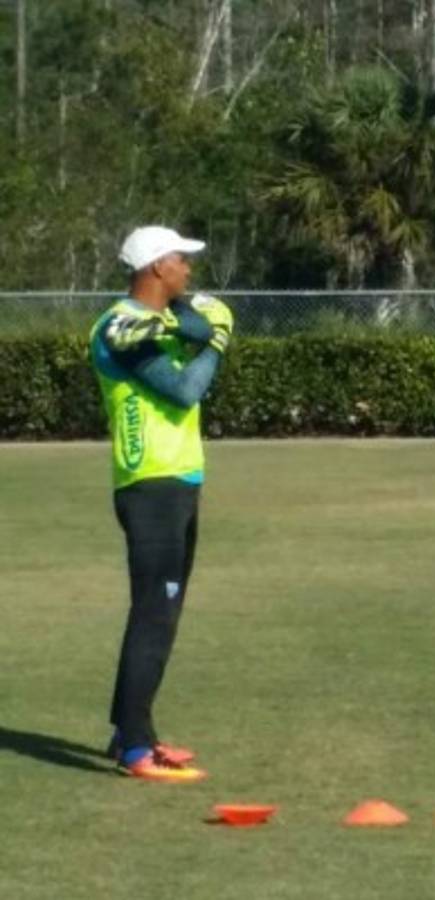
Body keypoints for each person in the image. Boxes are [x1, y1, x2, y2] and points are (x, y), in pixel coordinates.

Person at [89, 225, 235, 780]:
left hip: (180, 482)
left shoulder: (159, 319)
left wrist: (204, 320)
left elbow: (200, 318)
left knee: (164, 612)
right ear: (156, 267)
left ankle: (135, 731)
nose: (189, 270)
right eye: (181, 261)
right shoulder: (119, 328)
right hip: (150, 486)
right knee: (153, 613)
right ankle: (132, 751)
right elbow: (183, 389)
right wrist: (217, 342)